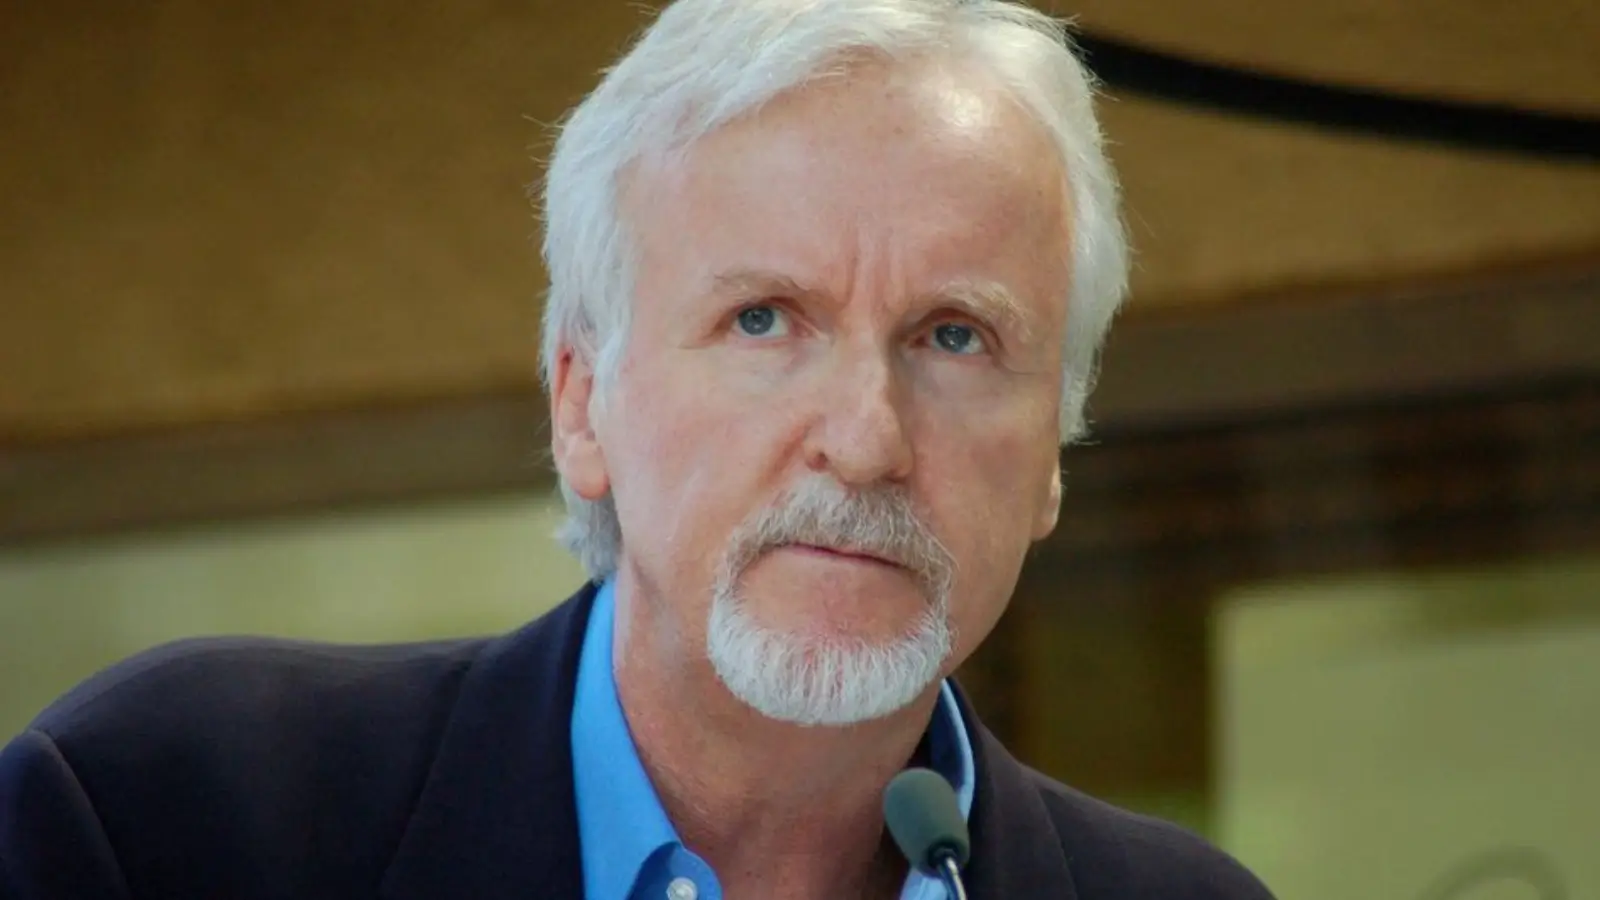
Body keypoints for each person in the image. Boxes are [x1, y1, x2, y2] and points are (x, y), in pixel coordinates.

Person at [0, 1, 1277, 898]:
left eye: (953, 337)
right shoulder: (170, 817)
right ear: (580, 404)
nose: (865, 439)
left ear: (1053, 449)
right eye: (764, 319)